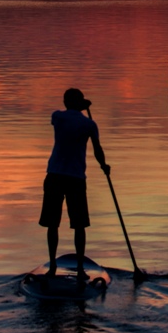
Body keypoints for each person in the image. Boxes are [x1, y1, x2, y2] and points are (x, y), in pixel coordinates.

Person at [40, 87, 109, 278]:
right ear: (80, 103)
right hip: (76, 178)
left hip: (55, 175)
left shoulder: (57, 117)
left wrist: (80, 106)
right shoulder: (89, 124)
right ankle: (79, 266)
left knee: (52, 223)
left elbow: (63, 115)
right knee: (79, 224)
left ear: (65, 102)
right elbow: (97, 149)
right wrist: (104, 166)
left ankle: (53, 263)